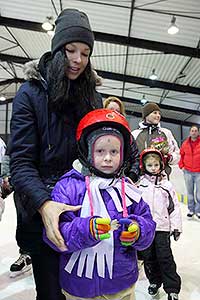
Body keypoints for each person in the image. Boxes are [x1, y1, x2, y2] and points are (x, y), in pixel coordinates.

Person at [9, 8, 103, 300]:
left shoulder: (92, 96)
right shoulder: (30, 94)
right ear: (57, 49)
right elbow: (21, 163)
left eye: (85, 53)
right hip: (43, 209)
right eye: (71, 49)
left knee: (85, 288)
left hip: (81, 207)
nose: (77, 59)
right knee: (51, 293)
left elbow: (98, 153)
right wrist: (45, 204)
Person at [43, 108, 156, 300]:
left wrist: (138, 231)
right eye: (100, 151)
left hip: (121, 284)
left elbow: (148, 223)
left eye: (114, 151)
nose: (108, 158)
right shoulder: (69, 186)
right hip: (80, 287)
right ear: (87, 151)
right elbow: (53, 234)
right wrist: (85, 230)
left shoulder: (127, 189)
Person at [138, 148, 182, 300]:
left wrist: (176, 226)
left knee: (165, 258)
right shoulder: (139, 185)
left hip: (162, 228)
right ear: (144, 166)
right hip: (146, 229)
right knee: (149, 258)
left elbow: (174, 207)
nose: (154, 168)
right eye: (150, 165)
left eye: (156, 165)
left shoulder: (166, 185)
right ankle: (154, 282)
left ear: (161, 165)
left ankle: (172, 289)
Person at [132, 102, 180, 177]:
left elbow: (176, 154)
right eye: (154, 113)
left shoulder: (166, 133)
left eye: (159, 113)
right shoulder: (135, 134)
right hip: (140, 179)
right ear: (146, 115)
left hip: (161, 179)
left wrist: (169, 158)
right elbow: (130, 156)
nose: (158, 116)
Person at [103, 96, 140, 183]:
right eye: (111, 109)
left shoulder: (127, 135)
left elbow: (136, 158)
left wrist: (132, 176)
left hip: (121, 181)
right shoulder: (95, 133)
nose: (114, 113)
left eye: (117, 111)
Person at [178, 125, 200, 219]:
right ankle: (191, 210)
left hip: (199, 172)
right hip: (187, 171)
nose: (194, 132)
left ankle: (198, 211)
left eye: (195, 131)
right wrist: (181, 166)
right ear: (190, 132)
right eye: (192, 131)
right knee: (190, 192)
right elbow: (181, 155)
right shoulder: (185, 143)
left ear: (198, 132)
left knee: (199, 193)